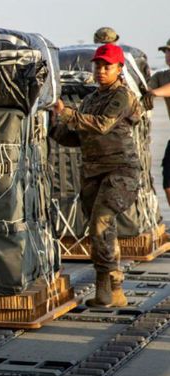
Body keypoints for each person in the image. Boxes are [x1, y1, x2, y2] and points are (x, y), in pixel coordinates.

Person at [51, 44, 143, 308]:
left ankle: (106, 289)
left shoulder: (122, 97)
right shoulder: (91, 99)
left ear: (119, 69)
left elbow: (102, 125)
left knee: (101, 222)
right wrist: (52, 126)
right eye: (98, 66)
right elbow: (78, 137)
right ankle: (114, 288)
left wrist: (66, 112)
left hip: (121, 171)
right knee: (101, 230)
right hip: (93, 173)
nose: (101, 71)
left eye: (107, 66)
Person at [144, 39, 170, 207]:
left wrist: (153, 93)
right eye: (166, 51)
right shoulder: (161, 76)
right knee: (167, 181)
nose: (168, 55)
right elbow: (144, 89)